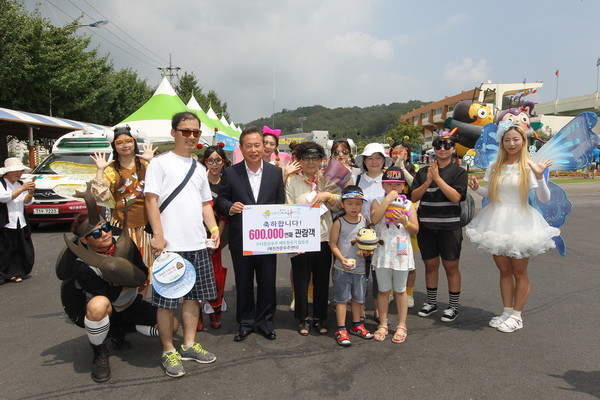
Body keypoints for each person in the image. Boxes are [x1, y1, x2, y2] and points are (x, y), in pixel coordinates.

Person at [145, 111, 219, 378]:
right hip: (170, 246)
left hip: (198, 243)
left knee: (193, 298)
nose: (191, 136)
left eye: (195, 132)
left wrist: (212, 228)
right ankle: (168, 350)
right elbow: (151, 200)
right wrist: (158, 234)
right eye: (185, 131)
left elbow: (204, 204)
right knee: (166, 302)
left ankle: (188, 344)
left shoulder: (199, 168)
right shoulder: (159, 164)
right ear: (173, 132)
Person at [62, 212, 178, 383]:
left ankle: (125, 328)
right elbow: (108, 295)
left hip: (130, 305)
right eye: (96, 233)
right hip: (107, 310)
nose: (104, 234)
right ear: (85, 240)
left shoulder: (125, 244)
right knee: (98, 304)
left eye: (106, 228)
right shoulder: (82, 265)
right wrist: (122, 274)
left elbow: (143, 273)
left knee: (172, 326)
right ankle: (99, 353)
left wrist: (127, 272)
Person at [466, 124, 558, 333]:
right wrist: (476, 189)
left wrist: (541, 176)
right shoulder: (495, 166)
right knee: (504, 270)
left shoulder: (529, 166)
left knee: (519, 271)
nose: (511, 143)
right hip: (497, 220)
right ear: (502, 142)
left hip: (521, 222)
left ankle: (517, 315)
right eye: (507, 140)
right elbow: (490, 194)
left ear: (523, 141)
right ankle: (507, 311)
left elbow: (544, 198)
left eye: (516, 139)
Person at [217, 127, 285, 342]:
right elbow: (221, 200)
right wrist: (230, 206)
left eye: (258, 145)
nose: (254, 150)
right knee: (244, 282)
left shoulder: (275, 173)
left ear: (264, 147)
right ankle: (245, 323)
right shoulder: (230, 172)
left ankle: (265, 322)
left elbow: (280, 204)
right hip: (241, 238)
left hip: (267, 240)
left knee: (267, 282)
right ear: (241, 148)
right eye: (249, 146)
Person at [410, 132, 468, 323]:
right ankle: (431, 302)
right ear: (433, 149)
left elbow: (455, 197)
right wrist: (428, 180)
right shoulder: (422, 172)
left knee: (451, 266)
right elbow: (413, 197)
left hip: (449, 227)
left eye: (446, 146)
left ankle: (453, 306)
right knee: (430, 265)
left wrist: (438, 178)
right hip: (426, 225)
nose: (442, 149)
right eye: (438, 146)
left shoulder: (459, 172)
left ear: (453, 149)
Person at [286, 141, 341, 336]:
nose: (310, 162)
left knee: (321, 279)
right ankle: (302, 317)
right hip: (300, 238)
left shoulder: (327, 180)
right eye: (306, 158)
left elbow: (341, 204)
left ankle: (320, 317)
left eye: (315, 158)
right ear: (299, 160)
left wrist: (328, 196)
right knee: (301, 280)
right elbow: (287, 208)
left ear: (321, 160)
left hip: (323, 238)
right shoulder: (291, 181)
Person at [91, 126, 157, 279]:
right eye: (120, 142)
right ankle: (126, 303)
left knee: (146, 271)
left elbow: (163, 187)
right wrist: (100, 170)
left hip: (146, 226)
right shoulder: (110, 169)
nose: (125, 145)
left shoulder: (146, 165)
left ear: (134, 142)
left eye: (128, 141)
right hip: (121, 227)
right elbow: (100, 197)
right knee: (125, 271)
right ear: (114, 145)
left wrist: (153, 162)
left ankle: (140, 301)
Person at [370, 167, 419, 343]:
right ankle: (383, 323)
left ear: (403, 186)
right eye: (389, 183)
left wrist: (405, 221)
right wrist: (388, 200)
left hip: (401, 252)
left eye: (397, 185)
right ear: (382, 184)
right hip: (383, 251)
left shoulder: (408, 204)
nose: (393, 187)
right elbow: (374, 220)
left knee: (400, 290)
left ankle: (402, 325)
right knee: (383, 290)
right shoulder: (377, 201)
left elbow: (415, 229)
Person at [329, 185, 372, 347]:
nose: (354, 207)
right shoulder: (338, 222)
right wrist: (342, 260)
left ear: (362, 204)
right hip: (342, 268)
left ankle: (356, 325)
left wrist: (365, 253)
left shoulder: (365, 222)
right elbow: (333, 244)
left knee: (358, 299)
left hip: (360, 269)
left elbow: (368, 244)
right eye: (350, 203)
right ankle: (341, 328)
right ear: (342, 204)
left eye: (357, 203)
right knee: (341, 299)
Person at [354, 143, 393, 320]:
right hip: (360, 232)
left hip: (383, 233)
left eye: (378, 158)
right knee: (360, 271)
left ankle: (379, 308)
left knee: (380, 272)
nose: (374, 161)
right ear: (364, 161)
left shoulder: (389, 180)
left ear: (384, 160)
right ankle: (359, 306)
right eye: (370, 158)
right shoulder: (356, 179)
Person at [198, 144, 231, 331]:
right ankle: (198, 314)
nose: (215, 164)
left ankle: (215, 311)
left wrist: (216, 234)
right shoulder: (198, 180)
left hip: (219, 233)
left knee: (215, 274)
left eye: (218, 160)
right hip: (197, 234)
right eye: (210, 160)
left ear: (224, 162)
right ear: (205, 162)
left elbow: (226, 214)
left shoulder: (227, 181)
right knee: (198, 275)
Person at [389, 140, 418, 308]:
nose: (398, 155)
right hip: (389, 221)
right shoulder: (386, 171)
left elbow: (416, 186)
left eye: (402, 152)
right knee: (391, 257)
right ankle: (392, 291)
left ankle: (409, 293)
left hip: (407, 221)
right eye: (395, 152)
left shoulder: (414, 171)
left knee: (408, 259)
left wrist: (402, 169)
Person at [0, 158, 35, 283]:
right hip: (6, 221)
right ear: (7, 172)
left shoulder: (20, 184)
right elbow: (4, 198)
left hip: (20, 220)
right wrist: (22, 189)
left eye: (20, 171)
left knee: (21, 248)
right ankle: (6, 273)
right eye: (16, 171)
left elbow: (26, 201)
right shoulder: (2, 183)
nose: (19, 173)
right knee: (6, 249)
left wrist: (30, 192)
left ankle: (18, 272)